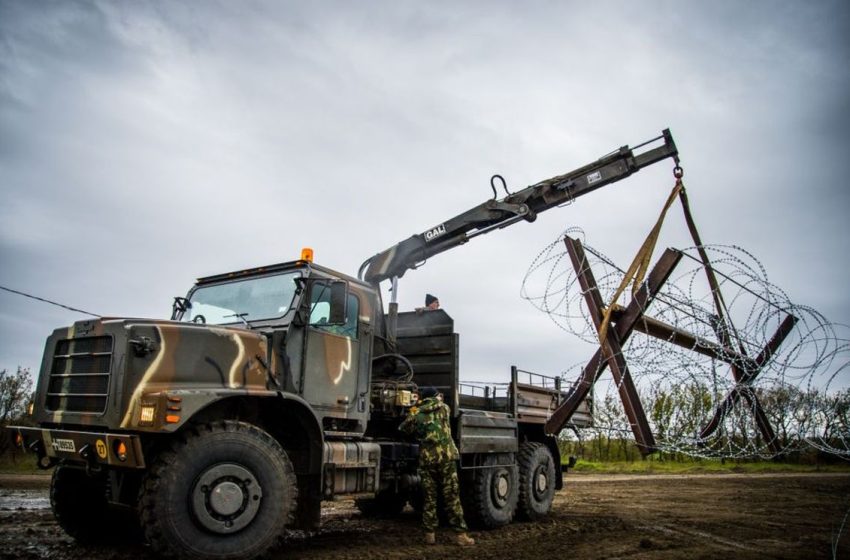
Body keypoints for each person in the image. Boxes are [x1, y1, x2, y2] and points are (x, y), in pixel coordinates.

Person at [399, 387, 475, 546]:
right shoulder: (444, 409)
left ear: (422, 398)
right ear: (436, 397)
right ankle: (461, 535)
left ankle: (430, 535)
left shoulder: (417, 413)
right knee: (452, 496)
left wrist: (414, 408)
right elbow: (439, 403)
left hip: (427, 460)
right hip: (446, 458)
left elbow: (404, 428)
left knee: (430, 498)